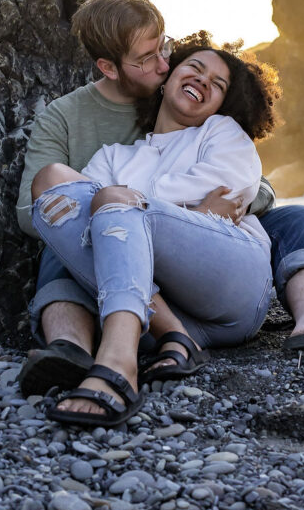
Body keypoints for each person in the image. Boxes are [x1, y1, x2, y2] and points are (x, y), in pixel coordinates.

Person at [16, 0, 304, 396]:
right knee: (66, 211)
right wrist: (183, 208)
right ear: (110, 67)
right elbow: (56, 207)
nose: (163, 64)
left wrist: (166, 206)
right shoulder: (79, 127)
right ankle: (78, 348)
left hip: (216, 270)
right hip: (146, 279)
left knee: (301, 218)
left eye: (166, 51)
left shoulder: (219, 131)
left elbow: (238, 183)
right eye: (156, 61)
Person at [30, 41, 278, 425]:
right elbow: (77, 218)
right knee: (51, 178)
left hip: (231, 284)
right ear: (167, 78)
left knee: (112, 202)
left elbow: (231, 191)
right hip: (147, 314)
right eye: (194, 67)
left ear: (221, 104)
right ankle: (175, 334)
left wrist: (126, 206)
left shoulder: (221, 132)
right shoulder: (115, 156)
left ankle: (117, 365)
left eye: (219, 83)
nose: (203, 80)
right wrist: (189, 208)